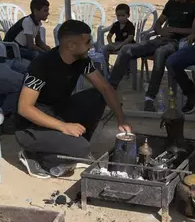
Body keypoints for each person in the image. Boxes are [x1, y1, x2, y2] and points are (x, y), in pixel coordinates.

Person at [15, 20, 132, 179]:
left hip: (59, 111)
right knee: (82, 149)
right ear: (71, 45)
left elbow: (105, 88)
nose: (92, 45)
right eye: (87, 42)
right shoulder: (42, 65)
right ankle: (33, 156)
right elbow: (24, 108)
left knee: (98, 95)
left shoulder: (82, 61)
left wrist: (121, 119)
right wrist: (63, 126)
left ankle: (74, 144)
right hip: (32, 127)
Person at [108, 0, 195, 112]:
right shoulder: (171, 4)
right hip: (160, 39)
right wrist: (161, 31)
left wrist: (173, 30)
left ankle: (150, 98)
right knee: (126, 49)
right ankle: (110, 89)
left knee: (161, 53)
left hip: (178, 43)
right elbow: (158, 23)